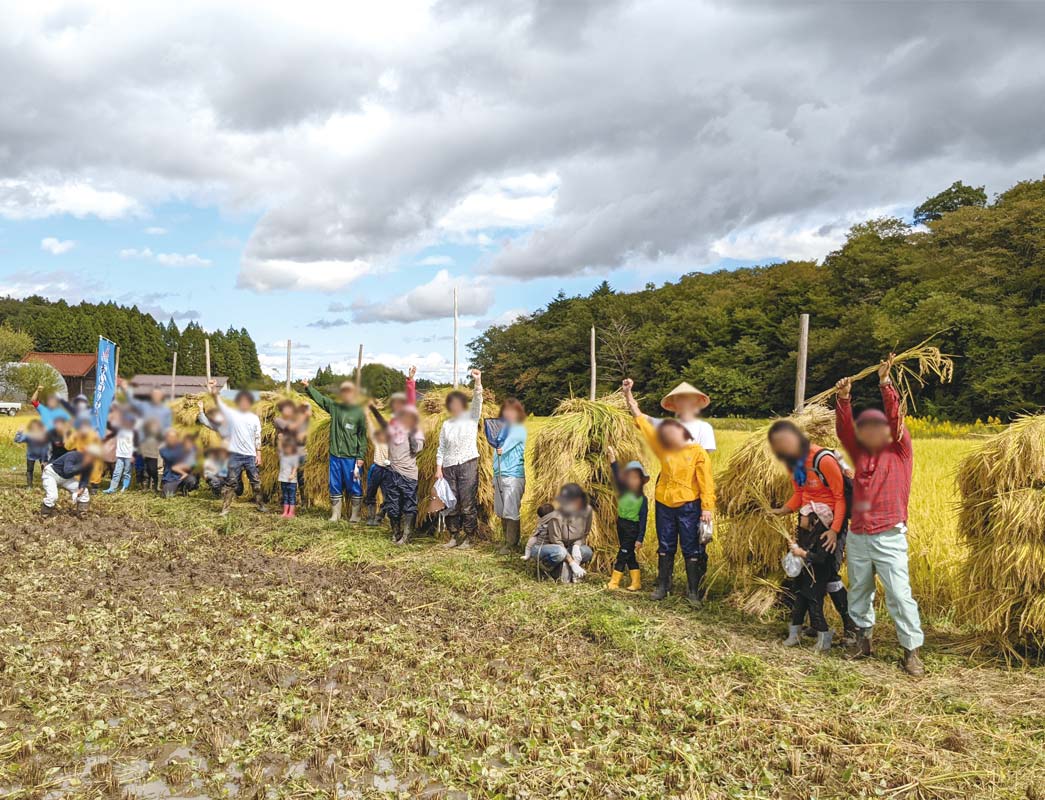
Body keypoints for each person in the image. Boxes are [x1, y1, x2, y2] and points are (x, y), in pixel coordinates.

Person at [834, 356, 925, 676]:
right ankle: (862, 640)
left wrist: (885, 383)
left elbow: (897, 416)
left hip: (889, 533)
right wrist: (844, 398)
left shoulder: (900, 451)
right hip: (859, 533)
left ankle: (911, 650)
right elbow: (844, 432)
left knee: (899, 594)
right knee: (859, 589)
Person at [623, 378, 715, 606]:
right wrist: (628, 394)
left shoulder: (699, 446)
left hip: (689, 503)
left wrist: (707, 508)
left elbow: (706, 479)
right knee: (665, 544)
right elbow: (640, 417)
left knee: (691, 545)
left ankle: (693, 591)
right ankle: (663, 585)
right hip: (664, 499)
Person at [767, 420, 858, 644]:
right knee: (806, 575)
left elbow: (839, 497)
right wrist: (781, 511)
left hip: (830, 526)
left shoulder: (823, 460)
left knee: (829, 576)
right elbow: (801, 494)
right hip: (808, 525)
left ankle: (850, 628)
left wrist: (835, 531)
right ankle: (817, 626)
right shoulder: (793, 464)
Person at [304, 377, 368, 524]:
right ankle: (335, 515)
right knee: (334, 484)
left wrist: (360, 456)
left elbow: (362, 437)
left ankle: (355, 515)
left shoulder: (359, 413)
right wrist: (309, 387)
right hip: (335, 456)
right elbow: (321, 400)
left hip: (351, 457)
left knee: (355, 484)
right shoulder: (335, 407)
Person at [435, 368, 483, 549]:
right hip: (448, 466)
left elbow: (478, 399)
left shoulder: (472, 417)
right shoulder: (446, 424)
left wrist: (477, 382)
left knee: (467, 503)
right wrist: (438, 468)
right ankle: (454, 535)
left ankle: (469, 537)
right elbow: (441, 447)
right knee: (451, 502)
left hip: (468, 464)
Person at [369, 400, 425, 544]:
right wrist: (373, 409)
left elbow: (417, 448)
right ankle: (395, 532)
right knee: (393, 505)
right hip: (392, 473)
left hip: (408, 475)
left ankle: (406, 535)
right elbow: (382, 422)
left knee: (408, 505)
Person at [206, 381, 265, 515]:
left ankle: (260, 505)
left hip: (250, 455)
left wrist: (259, 453)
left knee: (256, 481)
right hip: (235, 455)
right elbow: (218, 401)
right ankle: (225, 508)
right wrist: (213, 388)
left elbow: (257, 436)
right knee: (231, 483)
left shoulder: (254, 418)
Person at [605, 445, 649, 592]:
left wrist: (639, 538)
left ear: (642, 481)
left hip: (632, 528)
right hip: (621, 525)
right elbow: (617, 475)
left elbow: (643, 520)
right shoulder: (623, 491)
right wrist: (612, 460)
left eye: (636, 478)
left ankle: (614, 582)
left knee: (623, 554)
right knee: (629, 555)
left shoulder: (642, 499)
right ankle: (636, 582)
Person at [534, 484, 593, 581]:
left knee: (587, 552)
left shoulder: (587, 510)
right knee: (560, 553)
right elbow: (555, 540)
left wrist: (577, 546)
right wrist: (572, 562)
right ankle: (546, 567)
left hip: (570, 547)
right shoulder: (556, 517)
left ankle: (565, 567)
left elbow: (585, 532)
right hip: (557, 548)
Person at [492, 397, 528, 554]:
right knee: (501, 509)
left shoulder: (518, 430)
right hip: (499, 474)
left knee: (511, 509)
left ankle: (512, 544)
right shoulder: (502, 430)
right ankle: (505, 541)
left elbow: (502, 448)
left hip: (513, 476)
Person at [647, 382, 716, 452]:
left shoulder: (705, 427)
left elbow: (704, 458)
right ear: (674, 404)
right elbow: (644, 418)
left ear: (696, 402)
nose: (683, 403)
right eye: (679, 399)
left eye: (687, 399)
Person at [40, 443, 101, 517]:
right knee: (53, 496)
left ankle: (82, 514)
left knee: (84, 492)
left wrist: (80, 489)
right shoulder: (72, 455)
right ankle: (44, 514)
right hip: (51, 474)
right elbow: (68, 470)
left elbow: (84, 478)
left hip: (66, 478)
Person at [103, 411, 136, 494]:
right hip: (120, 454)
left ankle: (124, 487)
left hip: (128, 454)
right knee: (117, 472)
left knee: (127, 472)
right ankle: (112, 488)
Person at [159, 429, 199, 498]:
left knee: (192, 480)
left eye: (174, 437)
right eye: (170, 437)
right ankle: (173, 489)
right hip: (170, 478)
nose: (172, 439)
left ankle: (183, 489)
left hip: (183, 477)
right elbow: (172, 458)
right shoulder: (163, 449)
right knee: (167, 496)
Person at [364, 426, 390, 527]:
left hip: (389, 470)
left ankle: (380, 516)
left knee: (388, 497)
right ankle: (370, 517)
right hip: (376, 468)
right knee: (370, 493)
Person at [15, 418, 50, 488]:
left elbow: (46, 447)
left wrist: (44, 460)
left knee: (46, 470)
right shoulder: (29, 435)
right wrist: (19, 432)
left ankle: (47, 486)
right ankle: (29, 486)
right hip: (31, 455)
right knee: (29, 470)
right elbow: (17, 440)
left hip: (42, 455)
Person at [278, 435, 304, 518]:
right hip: (283, 478)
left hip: (291, 480)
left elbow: (295, 465)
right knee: (285, 496)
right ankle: (285, 511)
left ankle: (291, 513)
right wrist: (281, 439)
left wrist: (293, 474)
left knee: (291, 497)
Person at [138, 419, 163, 492]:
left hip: (155, 454)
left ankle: (156, 487)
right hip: (147, 454)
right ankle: (146, 487)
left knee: (155, 470)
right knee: (146, 470)